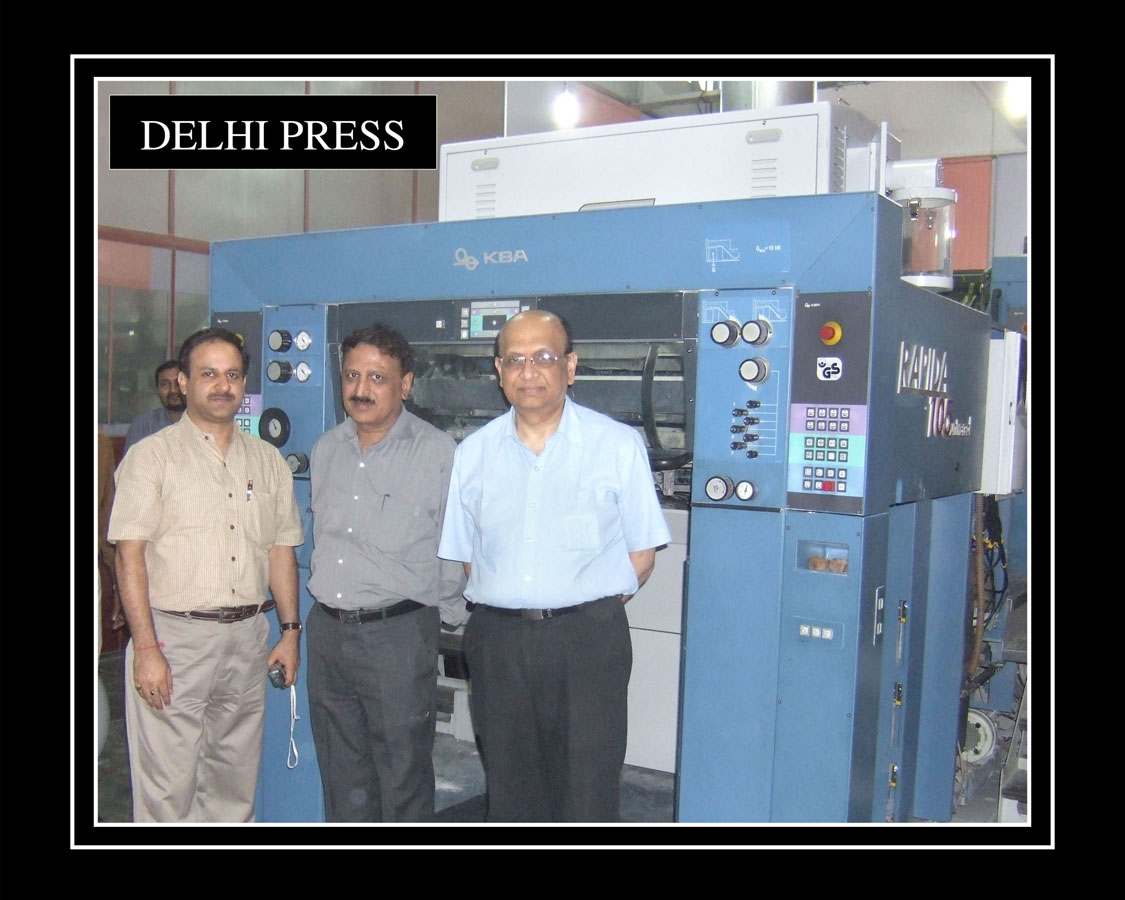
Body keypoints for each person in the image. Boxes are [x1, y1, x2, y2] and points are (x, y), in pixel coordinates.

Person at [438, 309, 670, 822]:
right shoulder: (473, 454)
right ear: (499, 371)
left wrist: (578, 606)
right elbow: (471, 559)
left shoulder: (616, 445)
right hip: (498, 642)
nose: (529, 371)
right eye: (515, 359)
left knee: (587, 790)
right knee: (510, 791)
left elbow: (642, 555)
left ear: (570, 366)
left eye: (543, 357)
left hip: (587, 641)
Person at [108, 327, 304, 822]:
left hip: (247, 640)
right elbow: (129, 557)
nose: (222, 386)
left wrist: (289, 632)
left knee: (233, 789)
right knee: (167, 792)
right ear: (183, 381)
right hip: (174, 640)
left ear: (244, 384)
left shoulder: (268, 461)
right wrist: (146, 648)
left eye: (232, 375)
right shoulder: (151, 457)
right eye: (209, 374)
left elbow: (281, 549)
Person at [306, 323, 466, 822]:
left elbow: (455, 545)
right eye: (352, 375)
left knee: (403, 775)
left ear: (406, 384)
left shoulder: (439, 452)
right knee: (341, 776)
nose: (361, 389)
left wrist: (445, 618)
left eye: (377, 377)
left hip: (397, 636)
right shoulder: (326, 448)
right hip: (327, 633)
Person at [123, 360, 186, 454]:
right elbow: (131, 462)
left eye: (177, 384)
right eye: (165, 384)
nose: (173, 390)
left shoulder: (203, 422)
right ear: (157, 390)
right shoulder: (142, 425)